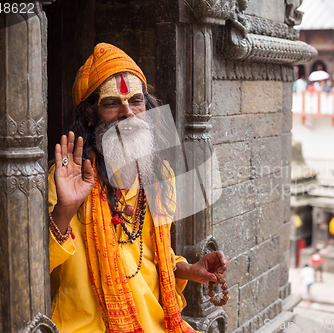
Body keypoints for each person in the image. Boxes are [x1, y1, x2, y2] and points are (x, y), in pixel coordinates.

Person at [48, 42, 229, 332]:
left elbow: (154, 257)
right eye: (111, 103)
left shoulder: (158, 176)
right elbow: (36, 268)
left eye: (136, 100)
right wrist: (66, 210)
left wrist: (190, 270)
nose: (128, 113)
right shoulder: (65, 180)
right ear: (90, 115)